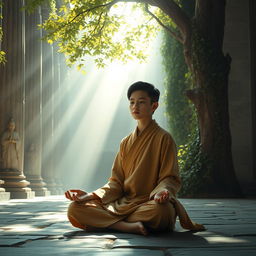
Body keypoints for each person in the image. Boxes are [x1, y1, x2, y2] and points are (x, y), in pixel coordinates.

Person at [65, 81, 204, 235]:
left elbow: (170, 177)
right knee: (75, 208)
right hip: (123, 204)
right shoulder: (125, 142)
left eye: (141, 102)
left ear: (154, 106)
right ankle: (125, 226)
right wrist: (89, 196)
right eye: (132, 102)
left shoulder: (164, 138)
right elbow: (116, 183)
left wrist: (161, 192)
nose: (135, 107)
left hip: (150, 204)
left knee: (162, 213)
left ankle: (111, 222)